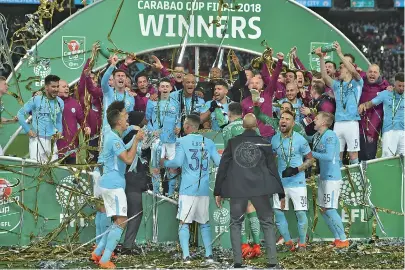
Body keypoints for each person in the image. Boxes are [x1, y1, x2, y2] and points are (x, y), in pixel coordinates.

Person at [214, 113, 284, 268]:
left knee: (236, 224)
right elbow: (273, 169)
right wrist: (281, 192)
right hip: (260, 190)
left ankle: (238, 263)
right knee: (267, 223)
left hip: (238, 190)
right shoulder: (265, 143)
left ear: (243, 126)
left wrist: (217, 191)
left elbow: (223, 168)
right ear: (256, 126)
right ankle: (273, 263)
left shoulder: (232, 143)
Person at [91, 101, 144, 269]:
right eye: (124, 116)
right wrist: (136, 141)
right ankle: (105, 259)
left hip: (110, 182)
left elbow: (122, 151)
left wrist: (134, 138)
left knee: (116, 221)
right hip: (113, 184)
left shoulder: (114, 137)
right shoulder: (114, 139)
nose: (127, 117)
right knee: (121, 220)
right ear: (118, 121)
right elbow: (128, 159)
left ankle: (98, 252)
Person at [162, 114, 221, 263]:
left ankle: (186, 256)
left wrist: (164, 162)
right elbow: (219, 162)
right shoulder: (209, 142)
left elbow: (177, 162)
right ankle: (209, 255)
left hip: (188, 188)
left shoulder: (181, 141)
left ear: (188, 126)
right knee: (204, 222)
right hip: (203, 189)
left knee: (184, 222)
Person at [221, 103, 262, 258]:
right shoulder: (254, 128)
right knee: (251, 207)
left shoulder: (227, 129)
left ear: (229, 114)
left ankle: (244, 246)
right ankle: (257, 245)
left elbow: (227, 155)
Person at [271, 110, 314, 252]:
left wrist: (297, 170)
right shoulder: (274, 139)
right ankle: (288, 242)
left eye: (287, 119)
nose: (283, 121)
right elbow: (271, 159)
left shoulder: (300, 139)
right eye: (282, 118)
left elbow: (310, 159)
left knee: (300, 213)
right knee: (278, 213)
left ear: (293, 123)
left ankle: (302, 243)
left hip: (297, 183)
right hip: (280, 184)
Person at [317, 41, 363, 166]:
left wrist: (339, 53)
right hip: (338, 123)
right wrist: (321, 58)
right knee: (337, 155)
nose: (339, 70)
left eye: (342, 67)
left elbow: (354, 72)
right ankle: (340, 181)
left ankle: (356, 180)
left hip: (351, 123)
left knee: (353, 155)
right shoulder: (337, 85)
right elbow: (325, 77)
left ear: (348, 69)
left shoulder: (358, 82)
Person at [312, 112, 349, 248]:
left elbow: (328, 156)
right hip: (323, 177)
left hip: (332, 178)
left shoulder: (331, 136)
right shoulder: (318, 135)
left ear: (324, 123)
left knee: (330, 208)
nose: (314, 119)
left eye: (317, 118)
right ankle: (337, 238)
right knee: (323, 209)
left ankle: (344, 240)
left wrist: (309, 154)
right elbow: (307, 139)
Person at [17, 75, 64, 163]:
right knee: (37, 170)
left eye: (57, 86)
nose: (56, 89)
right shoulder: (36, 100)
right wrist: (28, 130)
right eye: (53, 86)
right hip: (37, 140)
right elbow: (20, 114)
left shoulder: (60, 102)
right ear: (46, 87)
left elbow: (58, 120)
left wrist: (60, 131)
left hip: (52, 141)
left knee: (53, 170)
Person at [145, 78, 180, 195]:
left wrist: (178, 127)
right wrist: (152, 131)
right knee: (155, 166)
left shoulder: (176, 103)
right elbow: (147, 120)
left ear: (170, 89)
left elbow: (178, 119)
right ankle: (156, 193)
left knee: (173, 167)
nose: (165, 88)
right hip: (157, 140)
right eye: (162, 86)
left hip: (171, 139)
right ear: (159, 89)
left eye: (167, 86)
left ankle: (171, 194)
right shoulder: (152, 102)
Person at [358, 72, 404, 157]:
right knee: (387, 159)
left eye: (404, 86)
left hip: (403, 131)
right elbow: (371, 103)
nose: (401, 88)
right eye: (399, 86)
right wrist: (363, 105)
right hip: (389, 131)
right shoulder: (385, 94)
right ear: (395, 84)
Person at [57, 79, 90, 164]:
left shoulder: (74, 103)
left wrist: (86, 127)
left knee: (71, 175)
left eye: (67, 86)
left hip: (72, 148)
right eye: (64, 87)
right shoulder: (50, 103)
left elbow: (82, 120)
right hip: (55, 148)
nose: (67, 88)